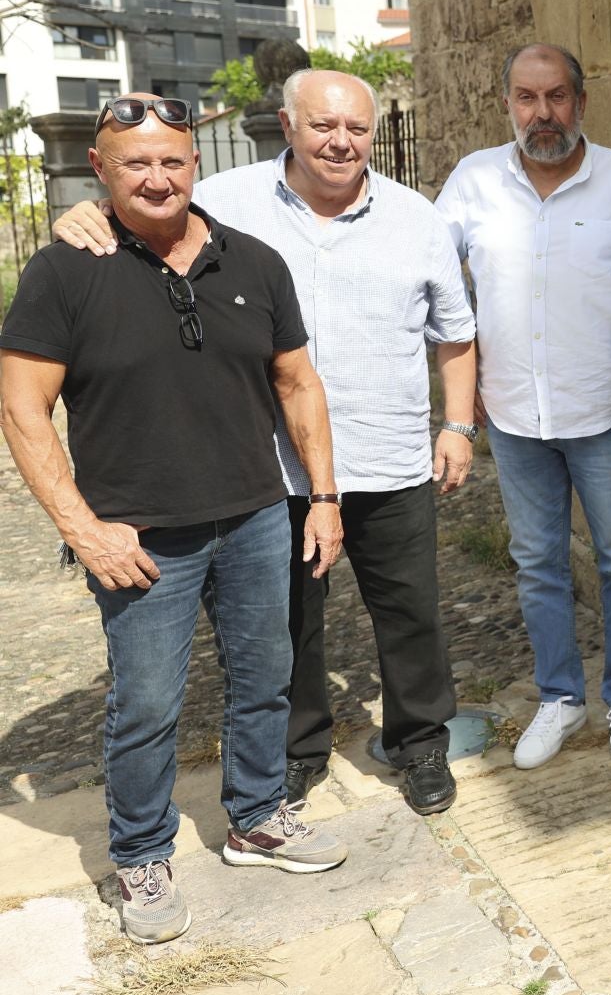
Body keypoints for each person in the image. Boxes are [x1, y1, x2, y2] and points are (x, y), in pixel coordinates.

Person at [51, 69, 480, 818]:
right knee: (286, 628)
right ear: (288, 125)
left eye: (355, 128)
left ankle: (419, 745)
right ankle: (297, 752)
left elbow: (458, 333)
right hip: (272, 466)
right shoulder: (231, 199)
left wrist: (458, 426)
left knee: (410, 614)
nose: (340, 141)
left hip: (389, 456)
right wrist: (81, 216)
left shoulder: (417, 219)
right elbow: (147, 205)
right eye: (323, 126)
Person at [0, 95, 350, 945]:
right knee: (147, 704)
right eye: (135, 164)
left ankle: (258, 816)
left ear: (195, 163)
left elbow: (298, 385)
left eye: (173, 161)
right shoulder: (64, 270)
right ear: (101, 171)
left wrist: (325, 497)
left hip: (259, 516)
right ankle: (141, 855)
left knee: (266, 678)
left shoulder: (255, 261)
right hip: (138, 534)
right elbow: (21, 408)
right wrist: (85, 530)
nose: (158, 179)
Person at [436, 44, 611, 770]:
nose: (543, 113)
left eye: (557, 96)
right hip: (514, 414)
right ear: (507, 104)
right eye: (528, 98)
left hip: (606, 413)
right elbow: (424, 269)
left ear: (581, 101)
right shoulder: (473, 181)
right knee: (536, 563)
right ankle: (560, 697)